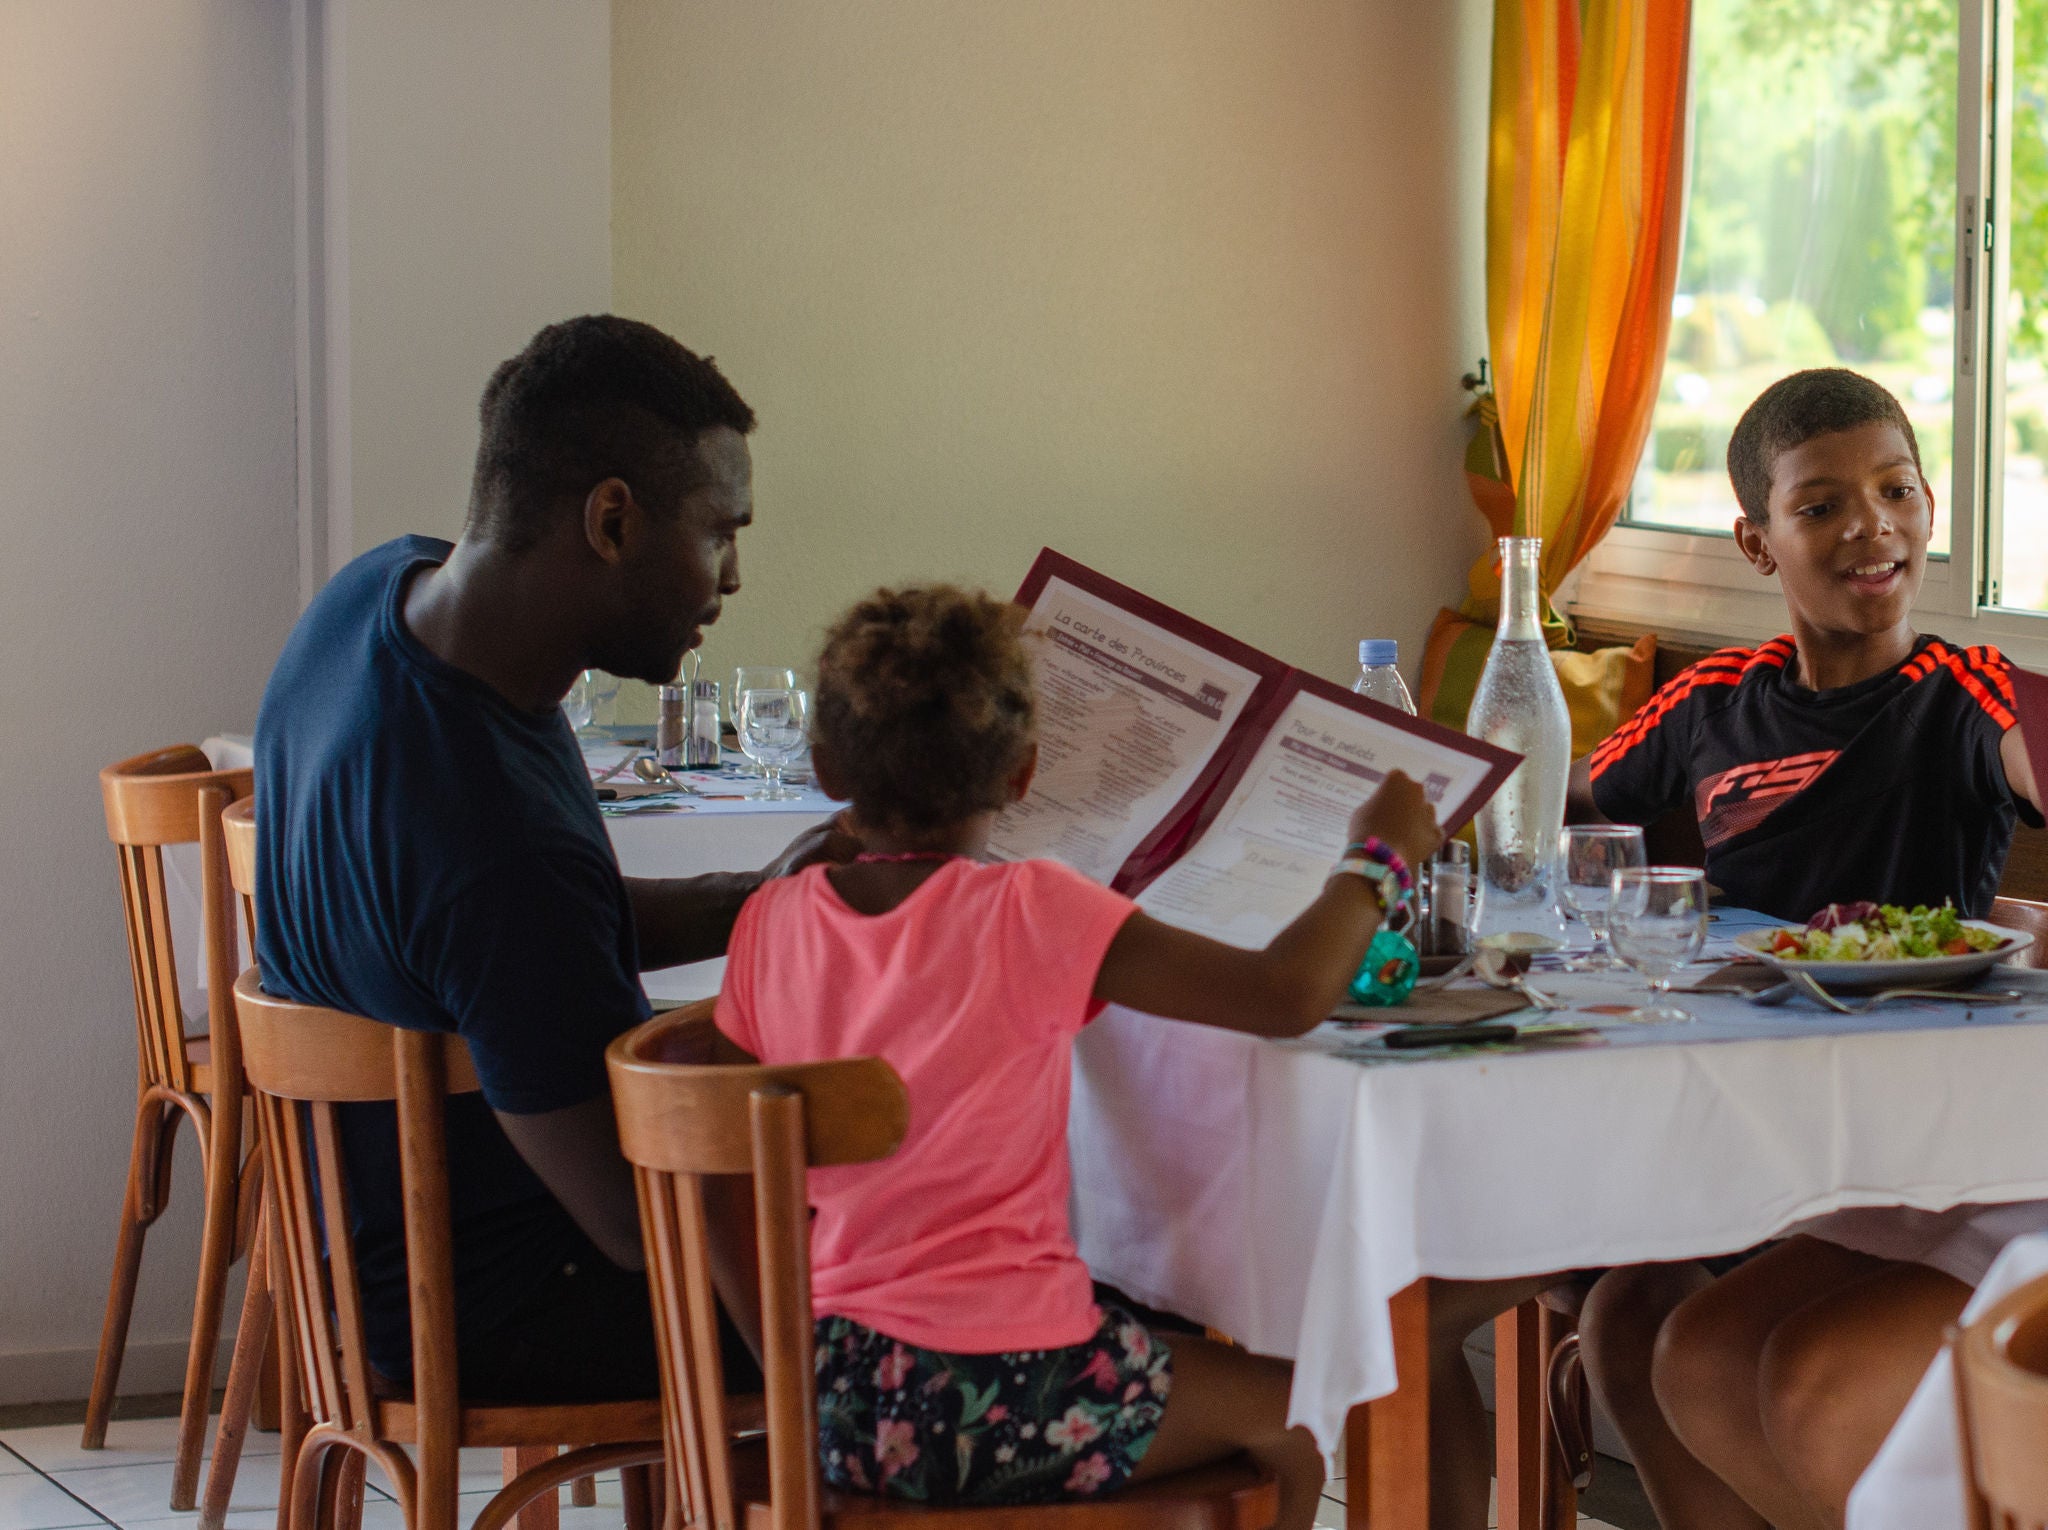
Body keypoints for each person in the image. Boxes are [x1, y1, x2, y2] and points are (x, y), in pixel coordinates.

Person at [710, 585, 1444, 1530]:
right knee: (1303, 1419)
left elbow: (723, 1162)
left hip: (839, 1399)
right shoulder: (1031, 910)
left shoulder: (771, 923)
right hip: (1021, 1386)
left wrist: (788, 1364)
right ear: (1023, 775)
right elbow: (1284, 995)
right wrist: (1378, 856)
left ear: (823, 769)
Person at [254, 315, 851, 1401]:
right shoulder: (495, 847)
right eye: (719, 532)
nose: (732, 576)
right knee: (988, 1302)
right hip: (499, 1301)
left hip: (356, 1255)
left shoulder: (372, 598)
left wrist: (761, 901)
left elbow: (539, 938)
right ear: (611, 520)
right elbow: (637, 1219)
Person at [1560, 367, 2044, 1529]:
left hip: (1932, 1126)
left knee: (1775, 1369)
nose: (1868, 526)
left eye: (1895, 491)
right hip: (1760, 1104)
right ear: (1756, 541)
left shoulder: (1961, 690)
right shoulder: (1715, 694)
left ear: (1931, 510)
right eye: (1820, 505)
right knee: (1636, 1324)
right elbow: (1553, 814)